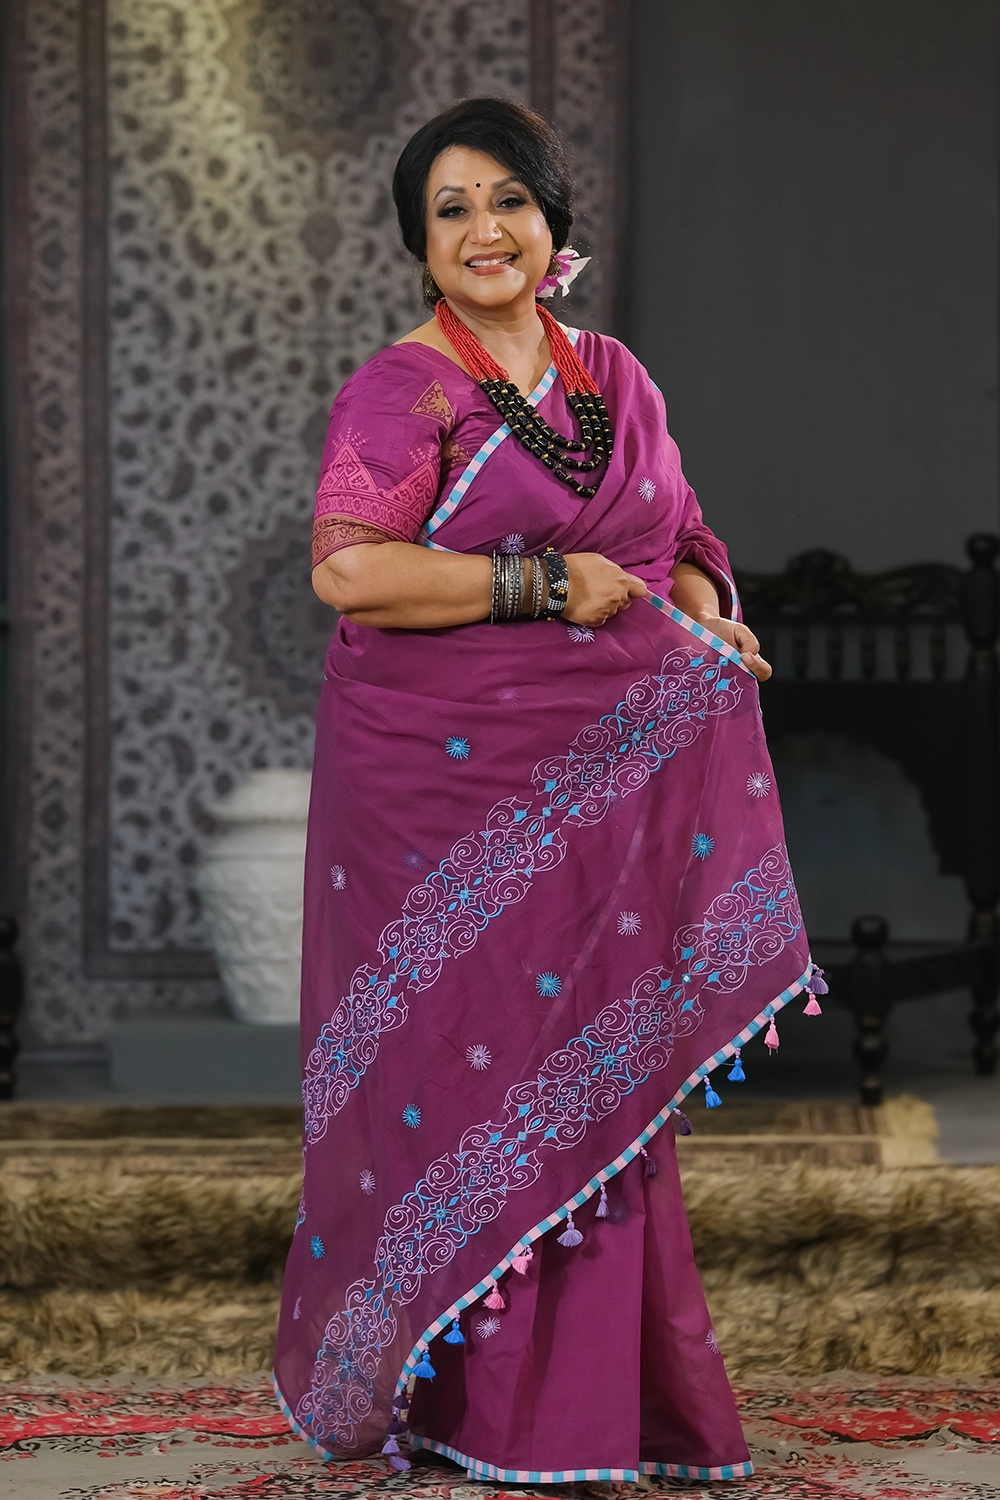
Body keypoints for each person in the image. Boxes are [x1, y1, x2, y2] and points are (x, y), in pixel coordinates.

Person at [272, 96, 820, 1484]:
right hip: (437, 798)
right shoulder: (403, 391)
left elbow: (677, 534)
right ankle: (469, 1407)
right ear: (418, 244)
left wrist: (706, 619)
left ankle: (607, 1412)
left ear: (551, 221)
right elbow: (351, 569)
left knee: (595, 1074)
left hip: (597, 791)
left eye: (507, 200)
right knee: (465, 1082)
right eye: (449, 209)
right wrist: (541, 584)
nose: (484, 230)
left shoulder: (615, 378)